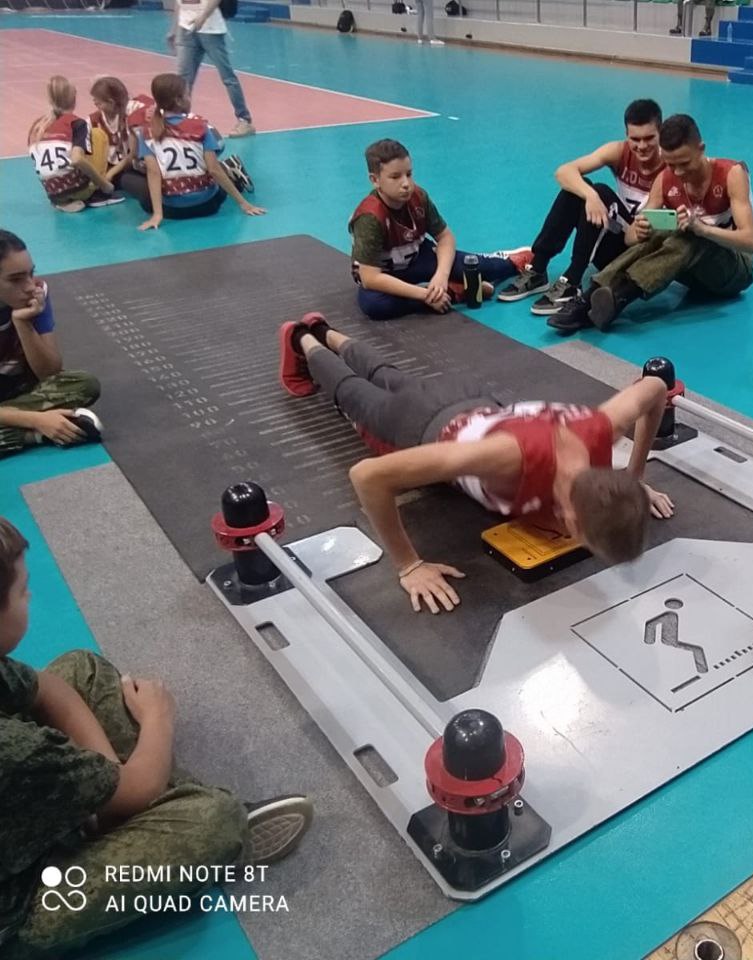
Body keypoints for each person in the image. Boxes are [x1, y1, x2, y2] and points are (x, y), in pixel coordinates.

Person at [0, 518, 314, 959]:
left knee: (80, 669)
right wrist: (157, 719)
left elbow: (50, 690)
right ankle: (219, 831)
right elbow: (136, 787)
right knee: (215, 821)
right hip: (22, 903)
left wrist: (109, 791)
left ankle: (118, 807)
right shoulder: (17, 752)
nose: (31, 596)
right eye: (22, 591)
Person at [277, 312, 676, 612]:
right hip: (417, 423)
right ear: (570, 520)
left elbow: (654, 387)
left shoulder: (603, 428)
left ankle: (325, 329)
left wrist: (636, 476)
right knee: (353, 392)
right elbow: (366, 476)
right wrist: (409, 565)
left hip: (470, 398)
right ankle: (302, 338)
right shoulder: (509, 459)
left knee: (386, 373)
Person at [548, 114, 753, 334]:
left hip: (732, 272)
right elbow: (630, 238)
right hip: (690, 272)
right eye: (671, 165)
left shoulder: (731, 174)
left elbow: (750, 242)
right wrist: (640, 230)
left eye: (685, 163)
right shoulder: (665, 179)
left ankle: (620, 296)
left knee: (693, 235)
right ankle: (590, 300)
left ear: (701, 149)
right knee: (662, 228)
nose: (678, 172)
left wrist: (704, 229)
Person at [497, 99, 665, 317]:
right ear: (626, 135)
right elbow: (564, 172)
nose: (641, 146)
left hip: (636, 253)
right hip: (615, 242)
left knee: (601, 192)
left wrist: (597, 196)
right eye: (635, 139)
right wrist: (589, 195)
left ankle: (573, 281)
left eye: (649, 138)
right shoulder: (618, 151)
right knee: (578, 188)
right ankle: (537, 269)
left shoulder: (671, 165)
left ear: (661, 133)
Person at [350, 139, 531, 321]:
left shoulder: (418, 197)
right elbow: (370, 278)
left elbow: (445, 237)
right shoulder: (370, 218)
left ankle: (510, 261)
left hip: (417, 259)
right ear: (375, 180)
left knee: (475, 268)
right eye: (395, 177)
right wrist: (425, 295)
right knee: (375, 306)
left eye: (409, 174)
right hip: (385, 274)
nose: (406, 183)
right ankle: (454, 291)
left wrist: (441, 276)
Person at [0, 231, 103, 460]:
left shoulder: (37, 294)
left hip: (16, 390)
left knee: (84, 384)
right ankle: (35, 435)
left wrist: (23, 323)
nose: (29, 286)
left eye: (31, 273)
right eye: (16, 279)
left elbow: (49, 373)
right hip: (21, 403)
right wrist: (36, 420)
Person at [135, 74, 262, 231]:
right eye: (188, 94)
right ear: (179, 100)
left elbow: (153, 174)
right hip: (208, 205)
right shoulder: (200, 125)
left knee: (137, 182)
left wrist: (157, 215)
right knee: (214, 166)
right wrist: (244, 204)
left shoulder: (146, 132)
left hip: (172, 211)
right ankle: (229, 168)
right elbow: (213, 170)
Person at [27, 77, 122, 214]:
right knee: (97, 135)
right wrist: (105, 184)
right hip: (77, 188)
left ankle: (64, 202)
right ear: (74, 98)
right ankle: (96, 193)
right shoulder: (77, 123)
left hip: (52, 193)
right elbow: (77, 159)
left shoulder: (38, 126)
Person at [170, 0, 254, 139]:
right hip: (185, 28)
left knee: (227, 76)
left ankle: (244, 119)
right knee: (183, 79)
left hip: (210, 29)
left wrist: (203, 16)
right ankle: (180, 119)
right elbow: (179, 4)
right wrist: (174, 29)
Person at [87, 76, 155, 190]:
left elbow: (132, 155)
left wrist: (111, 173)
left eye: (98, 103)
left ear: (111, 102)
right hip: (125, 166)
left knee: (143, 188)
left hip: (146, 165)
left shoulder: (135, 110)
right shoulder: (94, 120)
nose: (96, 106)